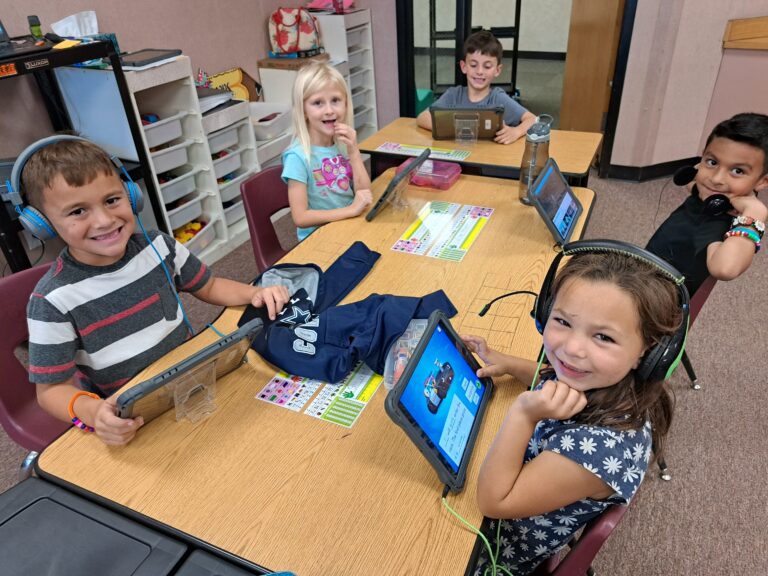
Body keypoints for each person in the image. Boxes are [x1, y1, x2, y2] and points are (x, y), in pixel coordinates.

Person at [23, 137, 290, 446]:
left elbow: (211, 286)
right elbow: (51, 391)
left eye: (112, 200)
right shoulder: (52, 300)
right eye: (78, 211)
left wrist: (254, 293)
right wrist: (94, 411)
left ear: (132, 195)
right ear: (43, 224)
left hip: (192, 378)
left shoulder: (158, 245)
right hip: (135, 414)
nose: (105, 220)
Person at [461, 247, 684, 575]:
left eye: (603, 337)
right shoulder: (602, 379)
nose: (571, 348)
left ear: (649, 353)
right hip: (504, 492)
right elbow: (554, 377)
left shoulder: (598, 451)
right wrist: (508, 363)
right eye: (562, 321)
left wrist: (523, 413)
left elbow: (494, 503)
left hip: (492, 550)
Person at [646, 112, 768, 296]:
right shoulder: (712, 196)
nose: (716, 179)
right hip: (647, 269)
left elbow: (725, 269)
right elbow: (695, 178)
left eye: (737, 171)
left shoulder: (720, 220)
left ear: (762, 181)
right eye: (712, 162)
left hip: (660, 299)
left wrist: (755, 212)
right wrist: (699, 175)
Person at [282, 61, 373, 241]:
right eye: (318, 103)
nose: (329, 110)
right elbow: (300, 217)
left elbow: (365, 193)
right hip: (320, 239)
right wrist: (350, 210)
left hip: (349, 225)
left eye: (335, 100)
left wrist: (354, 152)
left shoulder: (340, 145)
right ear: (303, 110)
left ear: (346, 103)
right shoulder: (297, 157)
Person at [416, 30, 537, 144]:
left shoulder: (497, 98)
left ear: (497, 70)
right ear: (464, 67)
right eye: (473, 65)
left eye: (487, 66)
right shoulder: (453, 94)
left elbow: (532, 119)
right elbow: (422, 117)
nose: (479, 71)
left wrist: (516, 132)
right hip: (457, 155)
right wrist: (451, 128)